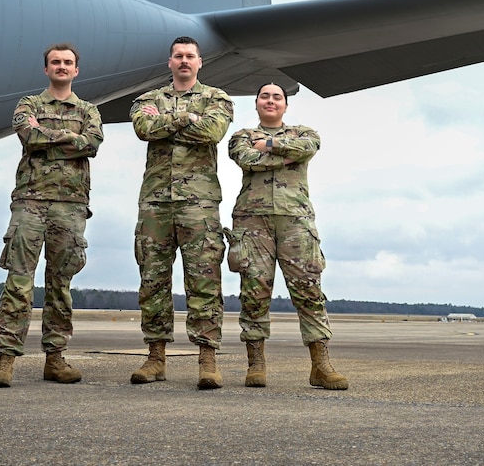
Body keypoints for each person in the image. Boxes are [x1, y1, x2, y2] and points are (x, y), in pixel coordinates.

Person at [0, 43, 103, 388]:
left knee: (60, 285)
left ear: (76, 70)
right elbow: (28, 133)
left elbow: (92, 144)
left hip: (70, 205)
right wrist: (70, 137)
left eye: (68, 62)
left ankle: (55, 358)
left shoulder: (88, 109)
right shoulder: (29, 104)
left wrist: (48, 135)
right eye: (56, 62)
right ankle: (5, 359)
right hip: (30, 201)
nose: (62, 67)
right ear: (46, 69)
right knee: (18, 282)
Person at [226, 83, 347, 390]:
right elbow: (245, 159)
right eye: (264, 97)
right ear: (256, 104)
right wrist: (284, 153)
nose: (270, 101)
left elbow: (306, 149)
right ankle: (256, 364)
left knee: (309, 292)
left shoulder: (305, 133)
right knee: (254, 293)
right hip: (253, 223)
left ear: (285, 105)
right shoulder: (241, 137)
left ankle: (321, 365)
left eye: (276, 97)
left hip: (296, 222)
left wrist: (267, 145)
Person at [129, 36, 233, 389]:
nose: (184, 61)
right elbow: (144, 128)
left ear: (200, 62)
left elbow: (212, 131)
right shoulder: (147, 99)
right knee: (153, 280)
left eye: (190, 56)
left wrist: (172, 120)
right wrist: (188, 118)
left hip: (199, 205)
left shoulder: (217, 99)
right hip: (156, 204)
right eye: (178, 56)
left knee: (204, 281)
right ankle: (155, 357)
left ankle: (207, 359)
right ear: (169, 62)